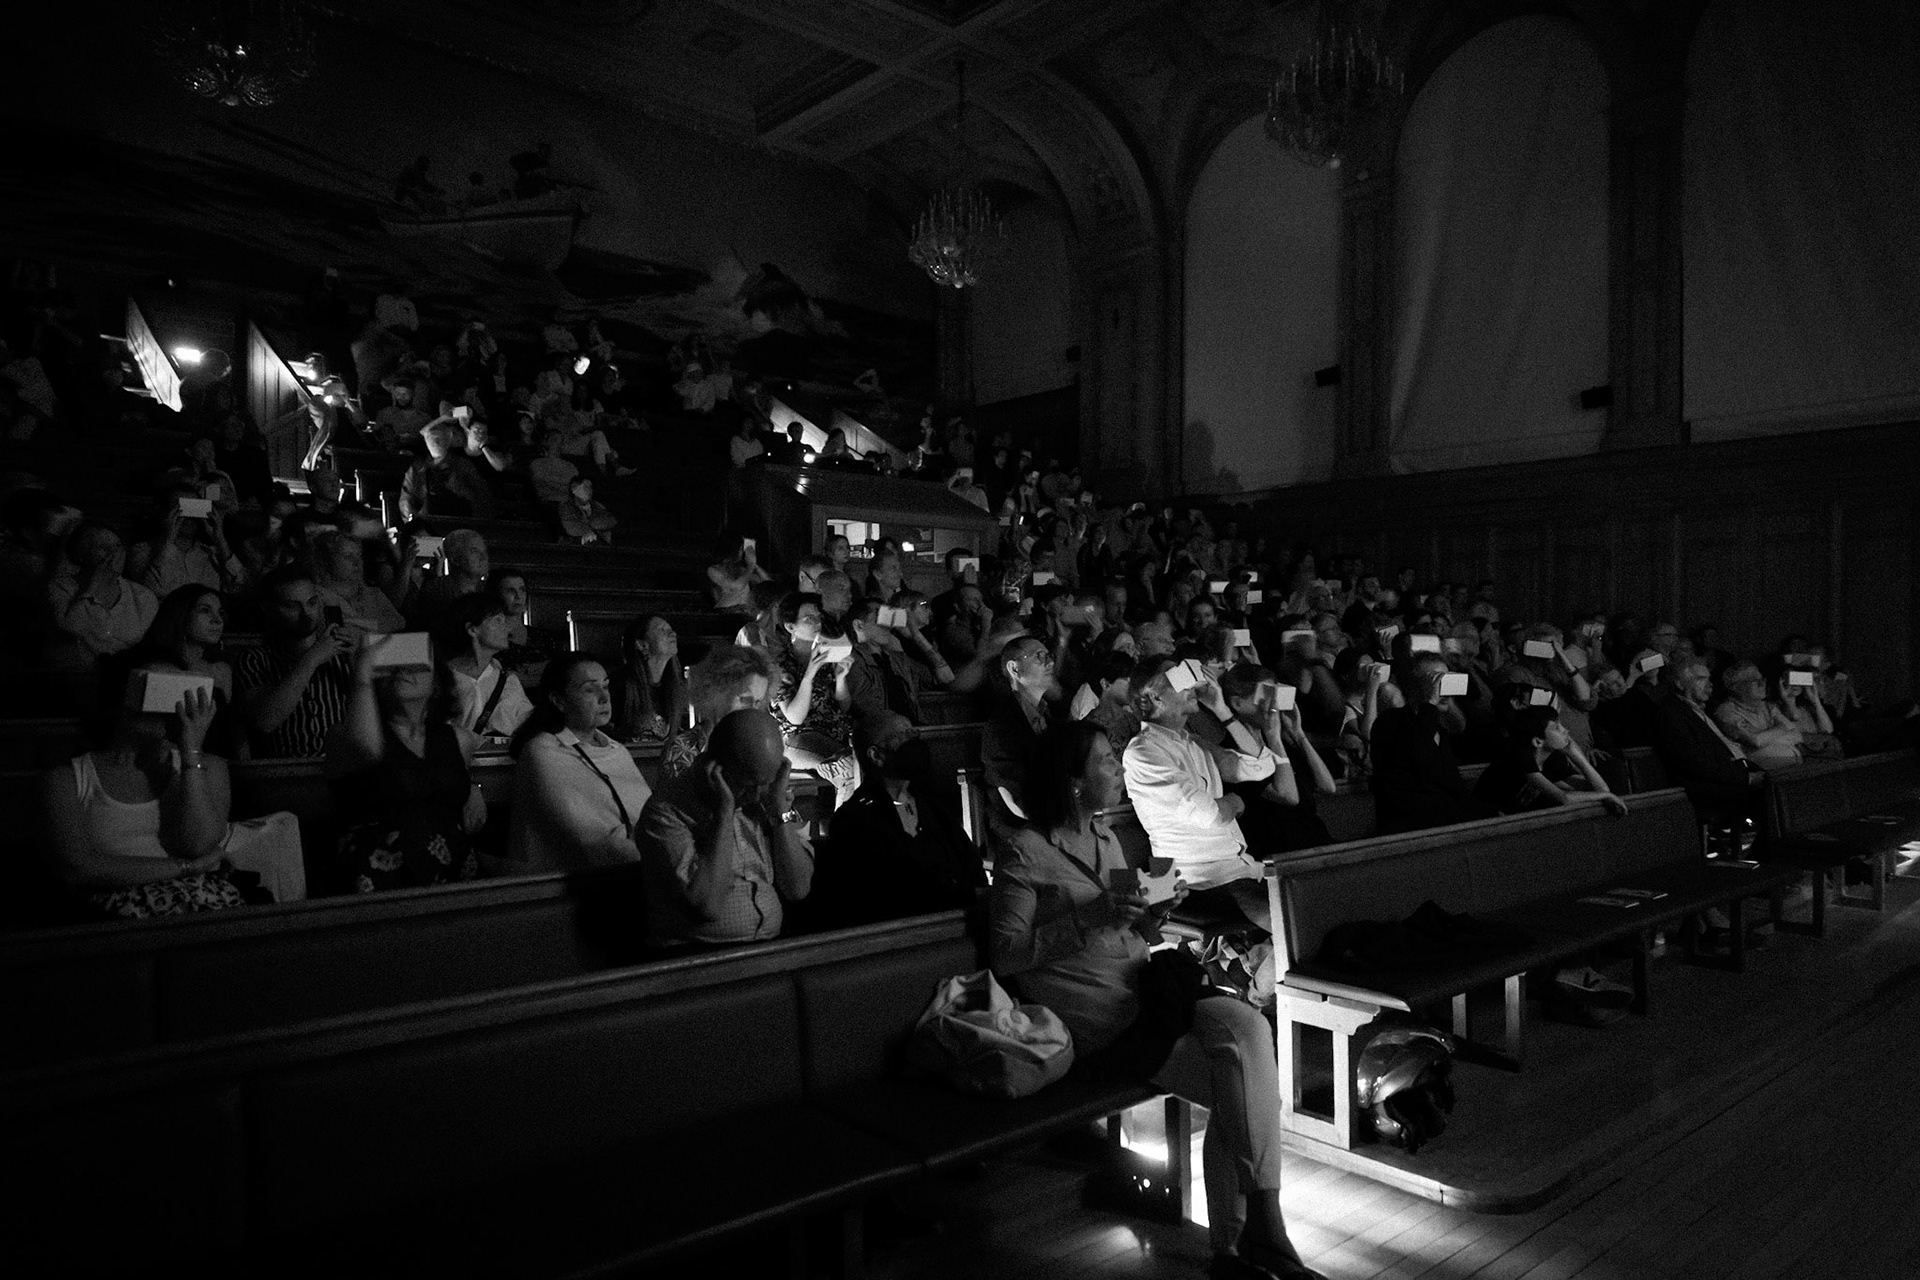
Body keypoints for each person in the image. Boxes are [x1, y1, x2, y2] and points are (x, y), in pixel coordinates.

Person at [990, 722, 1322, 1280]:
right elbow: (1005, 957)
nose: (1119, 770)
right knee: (1238, 1081)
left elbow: (1130, 931)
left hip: (1143, 989)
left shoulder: (1106, 838)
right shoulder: (1025, 851)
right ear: (1073, 781)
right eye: (1106, 762)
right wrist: (1089, 919)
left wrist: (1155, 916)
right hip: (1096, 1015)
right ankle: (1248, 1241)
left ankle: (1255, 1234)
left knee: (1250, 1027)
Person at [40, 663, 304, 916]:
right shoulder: (68, 778)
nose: (170, 702)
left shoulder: (208, 766)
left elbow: (198, 844)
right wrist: (185, 868)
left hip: (203, 900)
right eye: (159, 685)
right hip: (115, 912)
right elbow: (77, 868)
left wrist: (190, 752)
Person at [635, 709, 815, 951]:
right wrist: (724, 815)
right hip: (698, 958)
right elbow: (707, 905)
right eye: (747, 785)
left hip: (770, 949)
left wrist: (780, 812)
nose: (756, 796)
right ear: (714, 767)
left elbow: (798, 889)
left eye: (766, 783)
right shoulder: (665, 812)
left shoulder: (766, 798)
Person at [325, 636, 485, 892]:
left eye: (417, 664)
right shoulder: (342, 736)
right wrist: (362, 675)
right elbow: (367, 750)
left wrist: (474, 787)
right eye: (393, 665)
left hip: (454, 880)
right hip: (378, 886)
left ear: (436, 685)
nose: (403, 671)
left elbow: (451, 783)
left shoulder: (458, 739)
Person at [1123, 656, 1269, 928]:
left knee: (1308, 898)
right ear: (1150, 699)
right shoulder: (1142, 751)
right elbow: (1210, 815)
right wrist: (1235, 802)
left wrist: (1222, 709)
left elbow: (1259, 767)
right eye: (1176, 678)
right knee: (1290, 918)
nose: (1189, 684)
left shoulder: (1193, 742)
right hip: (1193, 880)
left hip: (1238, 869)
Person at [807, 712, 982, 929]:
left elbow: (971, 868)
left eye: (914, 733)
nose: (915, 742)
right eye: (904, 736)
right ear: (876, 755)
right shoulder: (853, 820)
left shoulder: (932, 808)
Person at [503, 652, 653, 873]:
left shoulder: (617, 750)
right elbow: (589, 842)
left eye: (606, 686)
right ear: (559, 701)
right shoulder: (543, 752)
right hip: (575, 886)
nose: (604, 697)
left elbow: (648, 817)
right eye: (590, 690)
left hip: (639, 870)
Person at [235, 568, 358, 758]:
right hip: (285, 771)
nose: (306, 613)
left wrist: (358, 663)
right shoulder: (255, 659)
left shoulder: (344, 653)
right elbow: (265, 721)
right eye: (292, 606)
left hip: (346, 769)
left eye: (312, 602)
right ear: (268, 608)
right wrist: (312, 659)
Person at [1369, 653, 1485, 834]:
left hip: (1447, 825)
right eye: (1436, 681)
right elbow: (1420, 756)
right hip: (1409, 831)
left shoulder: (1438, 728)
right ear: (1414, 684)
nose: (1441, 688)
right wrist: (1430, 702)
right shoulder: (1390, 722)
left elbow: (1453, 786)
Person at [129, 585, 245, 760]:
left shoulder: (221, 670)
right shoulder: (155, 669)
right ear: (181, 615)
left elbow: (230, 730)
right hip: (168, 759)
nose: (217, 620)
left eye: (220, 613)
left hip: (216, 761)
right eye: (205, 610)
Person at [1650, 657, 1769, 823]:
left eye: (1708, 678)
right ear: (1680, 683)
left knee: (1783, 788)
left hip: (1729, 777)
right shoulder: (1672, 714)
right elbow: (1696, 765)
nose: (1709, 684)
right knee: (1776, 801)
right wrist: (1747, 778)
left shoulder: (1699, 710)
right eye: (1700, 679)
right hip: (1706, 789)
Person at [771, 592, 859, 801]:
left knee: (869, 763)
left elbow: (843, 707)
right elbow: (794, 717)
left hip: (834, 732)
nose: (817, 623)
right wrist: (809, 674)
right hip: (797, 738)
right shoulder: (778, 666)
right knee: (847, 769)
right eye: (809, 619)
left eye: (818, 617)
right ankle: (849, 830)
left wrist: (840, 678)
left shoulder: (825, 656)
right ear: (791, 627)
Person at [1472, 705, 1628, 817]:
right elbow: (1564, 798)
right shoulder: (1521, 757)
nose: (1565, 731)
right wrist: (1605, 797)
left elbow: (1599, 789)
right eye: (1556, 728)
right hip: (1484, 819)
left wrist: (1576, 755)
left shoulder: (1552, 759)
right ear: (1538, 741)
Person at [46, 522, 159, 670]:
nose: (113, 554)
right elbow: (70, 628)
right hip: (74, 678)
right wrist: (93, 587)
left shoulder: (143, 596)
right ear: (81, 555)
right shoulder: (61, 587)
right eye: (103, 548)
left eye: (118, 547)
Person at [981, 635, 1058, 839]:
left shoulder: (1050, 716)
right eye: (1039, 656)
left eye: (1049, 655)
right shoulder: (1000, 725)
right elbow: (1016, 798)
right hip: (1024, 832)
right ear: (1014, 669)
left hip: (1056, 820)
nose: (1050, 662)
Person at [438, 592, 534, 740]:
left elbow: (528, 724)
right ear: (472, 629)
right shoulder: (442, 678)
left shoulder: (508, 681)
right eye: (497, 620)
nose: (507, 629)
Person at [1713, 660, 1806, 768]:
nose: (1762, 683)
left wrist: (1766, 736)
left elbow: (1796, 735)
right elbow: (1756, 741)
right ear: (1736, 688)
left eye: (1762, 679)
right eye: (1754, 680)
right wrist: (1781, 729)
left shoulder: (1766, 705)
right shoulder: (1726, 712)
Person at [311, 528, 406, 632]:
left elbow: (399, 623)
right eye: (348, 557)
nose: (357, 562)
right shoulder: (315, 598)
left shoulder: (374, 594)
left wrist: (355, 621)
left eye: (359, 556)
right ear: (328, 560)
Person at [612, 614, 688, 744]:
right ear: (641, 644)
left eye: (671, 629)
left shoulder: (675, 686)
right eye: (662, 630)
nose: (672, 633)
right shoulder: (620, 684)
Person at [407, 528, 489, 631]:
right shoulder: (436, 590)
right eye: (474, 551)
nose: (483, 557)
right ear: (454, 559)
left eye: (485, 551)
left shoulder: (489, 589)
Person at [707, 534, 770, 614]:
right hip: (727, 612)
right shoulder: (713, 570)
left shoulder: (742, 570)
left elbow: (768, 583)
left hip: (745, 612)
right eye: (741, 548)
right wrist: (751, 565)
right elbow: (735, 587)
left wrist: (755, 564)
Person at [558, 475, 617, 545]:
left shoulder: (596, 505)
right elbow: (571, 528)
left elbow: (611, 521)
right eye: (585, 487)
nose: (589, 491)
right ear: (574, 489)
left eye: (590, 487)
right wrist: (591, 527)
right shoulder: (567, 505)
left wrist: (589, 523)